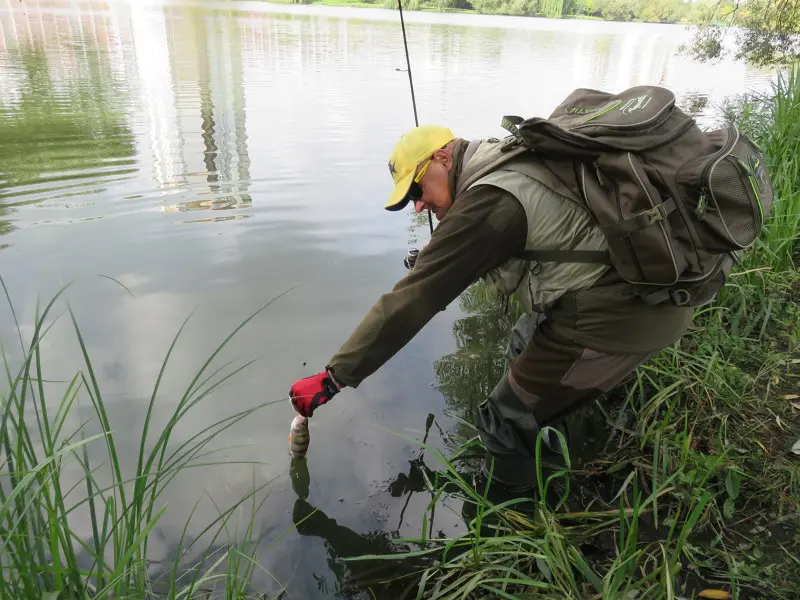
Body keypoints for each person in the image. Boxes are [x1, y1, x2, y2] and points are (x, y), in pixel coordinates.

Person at [288, 124, 695, 494]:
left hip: (624, 313)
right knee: (524, 339)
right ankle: (566, 443)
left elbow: (413, 300)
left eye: (417, 190)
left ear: (443, 158)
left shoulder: (489, 200)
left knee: (503, 416)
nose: (418, 205)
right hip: (631, 292)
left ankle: (508, 518)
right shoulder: (498, 158)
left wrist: (334, 377)